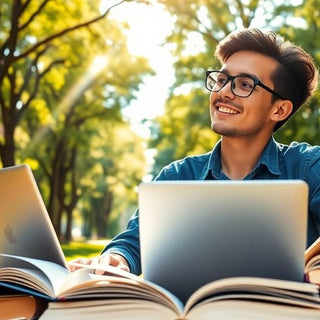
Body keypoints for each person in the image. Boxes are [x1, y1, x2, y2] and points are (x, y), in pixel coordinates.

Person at [69, 27, 320, 275]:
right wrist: (117, 258)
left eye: (244, 84)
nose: (222, 92)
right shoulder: (177, 176)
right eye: (222, 80)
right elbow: (135, 243)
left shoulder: (308, 168)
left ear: (279, 110)